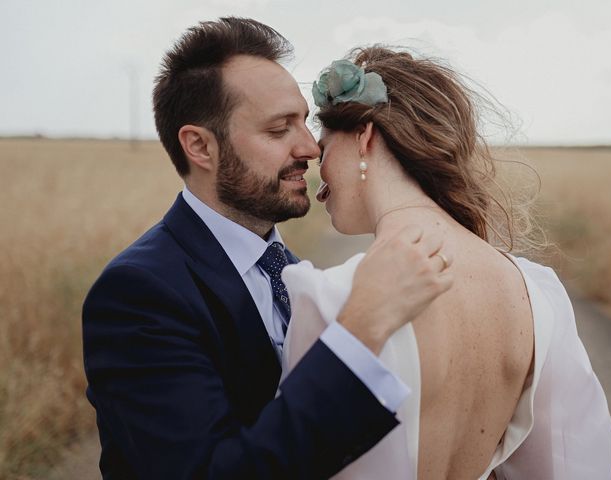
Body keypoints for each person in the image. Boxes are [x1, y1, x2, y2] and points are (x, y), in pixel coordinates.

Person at [82, 18, 454, 480]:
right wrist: (362, 327)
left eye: (305, 122)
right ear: (200, 146)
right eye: (279, 130)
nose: (310, 148)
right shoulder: (138, 294)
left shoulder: (293, 272)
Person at [280, 49, 611, 479]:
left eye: (324, 148)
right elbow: (570, 465)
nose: (316, 168)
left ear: (364, 136)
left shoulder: (335, 301)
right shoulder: (534, 293)